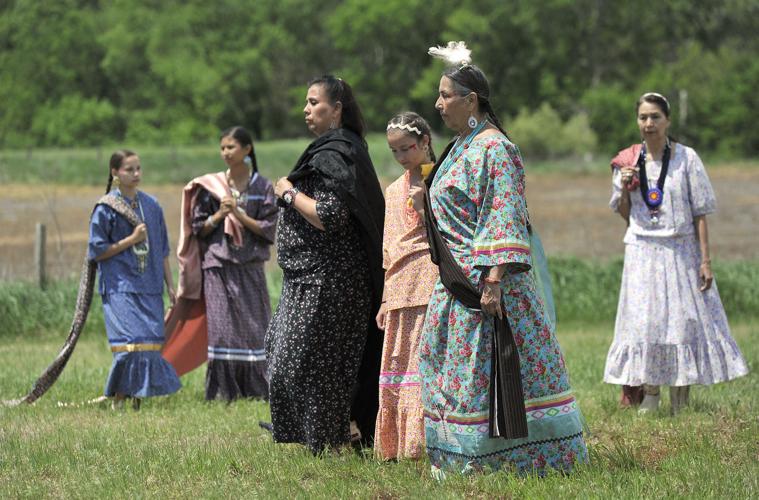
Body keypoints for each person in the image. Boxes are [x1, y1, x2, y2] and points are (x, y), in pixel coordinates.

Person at [419, 42, 587, 477]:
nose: (438, 104)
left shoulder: (495, 149)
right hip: (456, 289)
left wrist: (493, 280)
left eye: (445, 95)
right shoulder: (460, 146)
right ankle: (458, 460)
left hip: (490, 291)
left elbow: (504, 214)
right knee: (457, 372)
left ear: (470, 100)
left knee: (498, 373)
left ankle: (514, 460)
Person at [604, 92, 749, 414]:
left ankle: (680, 398)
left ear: (668, 120)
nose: (649, 123)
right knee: (645, 323)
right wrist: (626, 187)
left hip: (680, 250)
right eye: (643, 117)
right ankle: (651, 393)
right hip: (642, 250)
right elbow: (625, 215)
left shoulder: (687, 158)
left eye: (655, 116)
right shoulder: (628, 161)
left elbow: (700, 213)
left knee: (681, 323)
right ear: (637, 122)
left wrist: (705, 260)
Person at [266, 75, 385, 454]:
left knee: (314, 365)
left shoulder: (338, 154)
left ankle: (334, 441)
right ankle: (331, 437)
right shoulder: (333, 150)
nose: (306, 109)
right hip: (311, 278)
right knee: (288, 355)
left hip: (331, 280)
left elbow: (329, 215)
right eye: (306, 101)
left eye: (314, 102)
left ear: (337, 110)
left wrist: (288, 193)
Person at [170, 126, 277, 401]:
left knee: (256, 327)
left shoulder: (262, 187)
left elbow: (268, 229)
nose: (226, 153)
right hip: (217, 265)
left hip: (250, 266)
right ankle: (223, 392)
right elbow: (198, 228)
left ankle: (258, 389)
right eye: (223, 148)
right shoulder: (210, 188)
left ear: (247, 149)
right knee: (222, 330)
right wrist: (219, 215)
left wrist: (238, 215)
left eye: (231, 147)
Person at [88, 150, 181, 409]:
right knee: (130, 343)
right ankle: (118, 398)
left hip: (150, 285)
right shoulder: (106, 208)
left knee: (149, 345)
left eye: (138, 168)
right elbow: (96, 250)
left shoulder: (152, 206)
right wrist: (131, 240)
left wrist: (170, 285)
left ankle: (138, 398)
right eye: (130, 169)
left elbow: (162, 249)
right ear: (115, 172)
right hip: (120, 286)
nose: (136, 174)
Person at [374, 112, 439, 460]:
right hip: (399, 283)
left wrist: (426, 206)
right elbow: (388, 247)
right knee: (399, 362)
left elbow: (452, 236)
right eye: (394, 151)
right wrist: (385, 298)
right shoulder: (393, 189)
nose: (401, 157)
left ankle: (426, 443)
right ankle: (399, 445)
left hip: (430, 278)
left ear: (425, 142)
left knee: (423, 359)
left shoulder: (441, 178)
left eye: (407, 148)